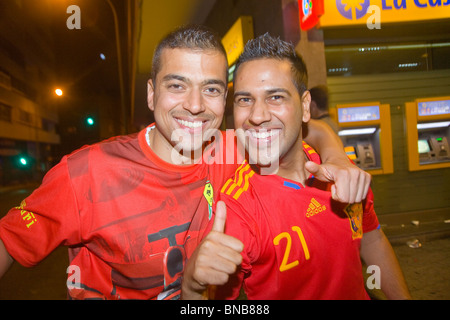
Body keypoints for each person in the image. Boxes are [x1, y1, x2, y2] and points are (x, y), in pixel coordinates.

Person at [0, 26, 370, 300]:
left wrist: (337, 156)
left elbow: (307, 128)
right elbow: (8, 242)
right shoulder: (89, 172)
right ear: (151, 93)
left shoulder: (231, 149)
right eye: (177, 86)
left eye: (210, 89)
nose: (195, 105)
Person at [181, 33, 411, 300]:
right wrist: (191, 288)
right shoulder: (237, 209)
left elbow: (371, 239)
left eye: (275, 97)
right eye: (245, 100)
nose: (257, 116)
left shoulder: (342, 173)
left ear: (304, 106)